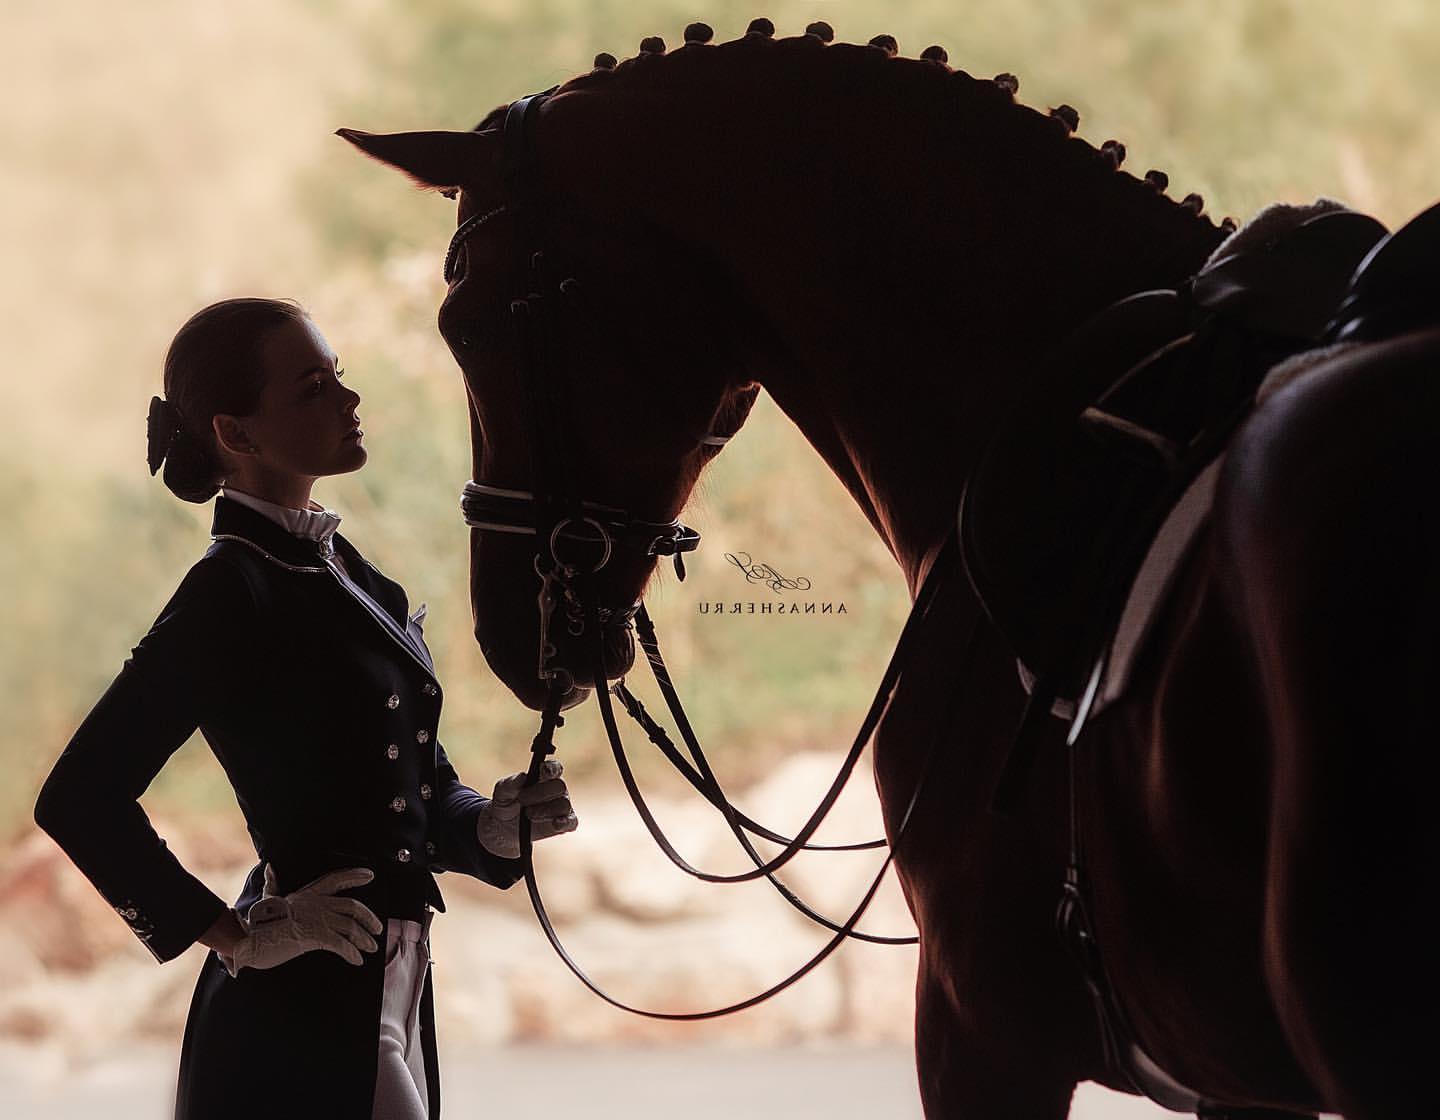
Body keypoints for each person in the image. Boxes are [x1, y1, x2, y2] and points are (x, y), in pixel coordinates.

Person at [33, 296, 578, 1119]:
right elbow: (78, 797)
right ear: (237, 435)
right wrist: (239, 935)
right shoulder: (230, 590)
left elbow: (415, 789)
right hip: (297, 1013)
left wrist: (487, 827)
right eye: (313, 388)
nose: (349, 401)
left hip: (393, 989)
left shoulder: (348, 570)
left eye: (340, 378)